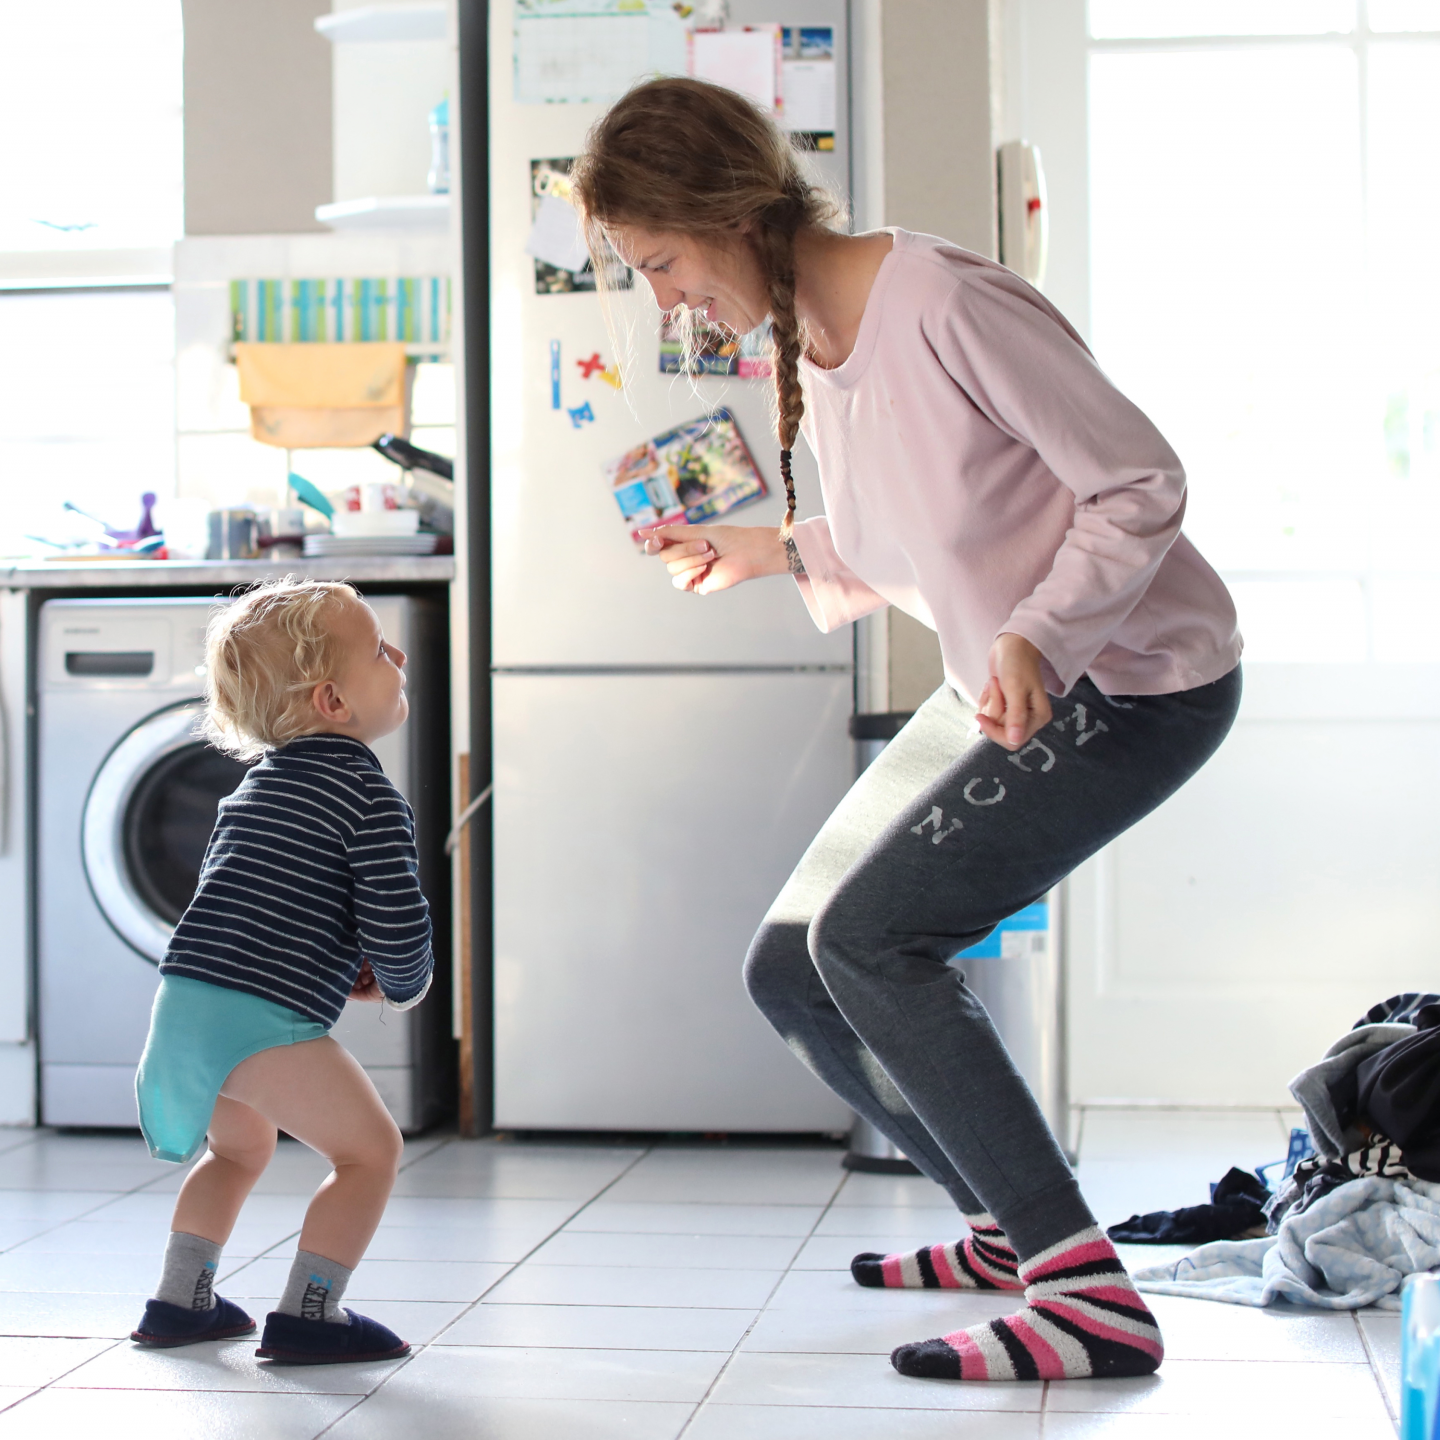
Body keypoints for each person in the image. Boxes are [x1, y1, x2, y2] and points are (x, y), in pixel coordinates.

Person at [572, 78, 1243, 1384]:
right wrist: (768, 550)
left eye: (659, 262)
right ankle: (1007, 1229)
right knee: (795, 968)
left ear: (720, 210)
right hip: (1011, 682)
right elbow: (924, 533)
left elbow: (1139, 480)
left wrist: (1040, 636)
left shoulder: (939, 301)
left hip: (1132, 681)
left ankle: (1086, 1297)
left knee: (874, 942)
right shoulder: (814, 342)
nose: (663, 300)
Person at [129, 579, 433, 1365]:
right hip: (262, 1018)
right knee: (369, 1153)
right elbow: (397, 918)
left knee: (235, 1152)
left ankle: (178, 1301)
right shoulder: (365, 793)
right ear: (334, 700)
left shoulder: (255, 788)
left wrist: (338, 952)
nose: (395, 656)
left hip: (190, 1001)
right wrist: (405, 981)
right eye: (377, 649)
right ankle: (310, 1315)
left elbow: (263, 901)